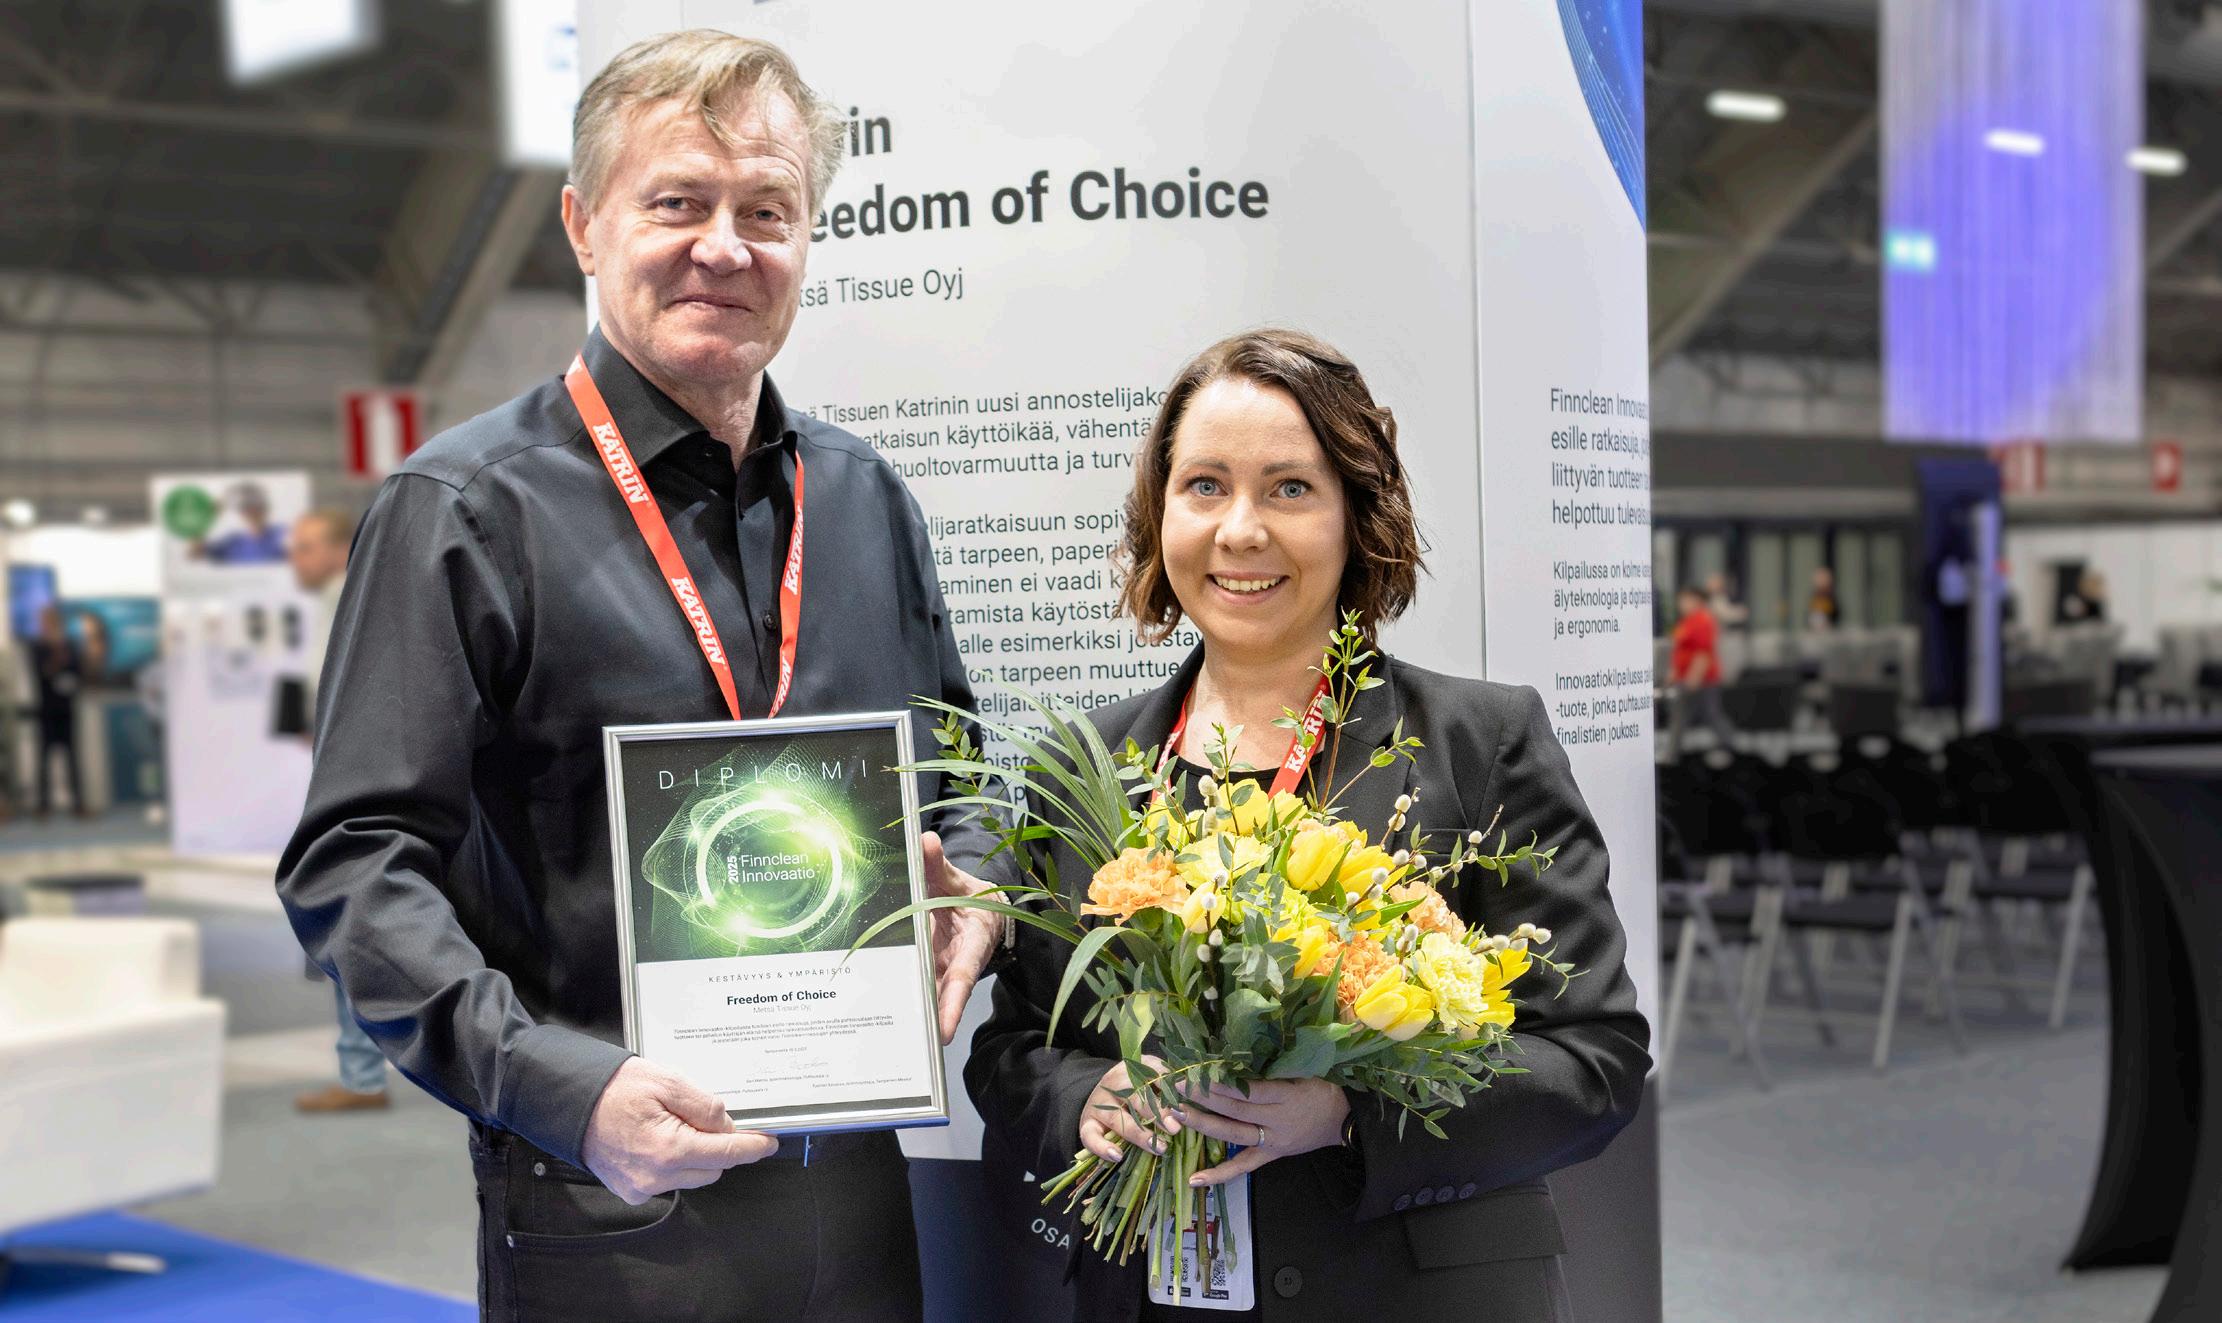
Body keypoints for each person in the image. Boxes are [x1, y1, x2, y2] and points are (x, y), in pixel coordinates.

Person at [276, 31, 1007, 1323]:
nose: (724, 247)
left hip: (859, 1205)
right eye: (677, 202)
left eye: (766, 212)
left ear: (807, 239)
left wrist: (978, 885)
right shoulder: (466, 510)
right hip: (608, 1211)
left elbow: (957, 776)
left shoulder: (863, 500)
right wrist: (557, 1087)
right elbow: (354, 863)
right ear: (582, 224)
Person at [967, 330, 1650, 1322]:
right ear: (1160, 511)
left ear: (1356, 516)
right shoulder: (1085, 768)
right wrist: (1085, 1099)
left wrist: (1348, 1113)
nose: (1241, 530)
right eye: (1204, 486)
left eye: (1289, 488)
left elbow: (1593, 1057)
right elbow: (1012, 1046)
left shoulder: (1479, 743)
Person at [283, 509, 391, 1115]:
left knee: (347, 917)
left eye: (304, 547)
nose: (294, 559)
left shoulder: (355, 599)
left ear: (335, 547)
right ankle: (361, 1072)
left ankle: (361, 1075)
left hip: (359, 793)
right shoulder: (337, 602)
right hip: (352, 782)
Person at [28, 603, 93, 818]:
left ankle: (78, 805)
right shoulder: (37, 648)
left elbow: (78, 671)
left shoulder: (70, 645)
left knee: (73, 759)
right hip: (46, 710)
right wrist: (57, 653)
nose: (50, 626)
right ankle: (43, 806)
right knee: (44, 760)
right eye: (46, 622)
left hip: (67, 709)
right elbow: (42, 672)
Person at [1669, 585, 1735, 755]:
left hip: (1703, 679)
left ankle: (1729, 744)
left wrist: (1693, 677)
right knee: (1682, 715)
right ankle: (1674, 751)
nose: (1681, 604)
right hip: (1686, 677)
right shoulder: (1688, 621)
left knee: (1709, 713)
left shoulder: (1702, 620)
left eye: (1685, 600)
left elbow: (1703, 652)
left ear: (1696, 600)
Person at [195, 481, 289, 565]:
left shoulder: (281, 534)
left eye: (257, 506)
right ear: (241, 512)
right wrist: (209, 517)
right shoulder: (233, 543)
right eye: (246, 507)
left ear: (265, 509)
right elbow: (196, 553)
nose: (252, 512)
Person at [1806, 564, 1840, 631]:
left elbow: (1836, 615)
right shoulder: (1813, 597)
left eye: (1823, 578)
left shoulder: (1832, 597)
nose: (1821, 581)